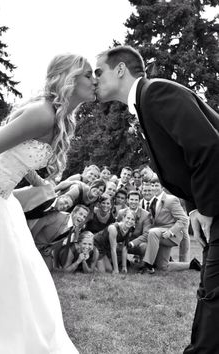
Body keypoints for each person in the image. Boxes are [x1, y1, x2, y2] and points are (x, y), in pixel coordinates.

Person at [95, 44, 219, 353]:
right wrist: (192, 208)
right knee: (210, 287)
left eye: (99, 72)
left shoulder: (157, 94)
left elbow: (208, 148)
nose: (94, 79)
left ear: (120, 69)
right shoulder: (144, 105)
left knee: (214, 291)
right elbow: (185, 162)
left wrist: (204, 206)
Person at [0, 52, 96, 353]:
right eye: (88, 75)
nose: (94, 80)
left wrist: (38, 182)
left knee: (20, 281)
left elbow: (18, 154)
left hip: (1, 199)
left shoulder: (59, 118)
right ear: (68, 78)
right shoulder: (42, 113)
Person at [94, 209, 136, 273]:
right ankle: (91, 263)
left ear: (134, 222)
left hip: (104, 249)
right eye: (128, 218)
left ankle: (96, 261)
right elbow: (113, 249)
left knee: (109, 269)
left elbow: (125, 248)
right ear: (123, 218)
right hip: (97, 244)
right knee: (102, 271)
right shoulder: (113, 228)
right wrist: (116, 269)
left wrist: (124, 267)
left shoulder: (130, 229)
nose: (130, 221)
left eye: (132, 219)